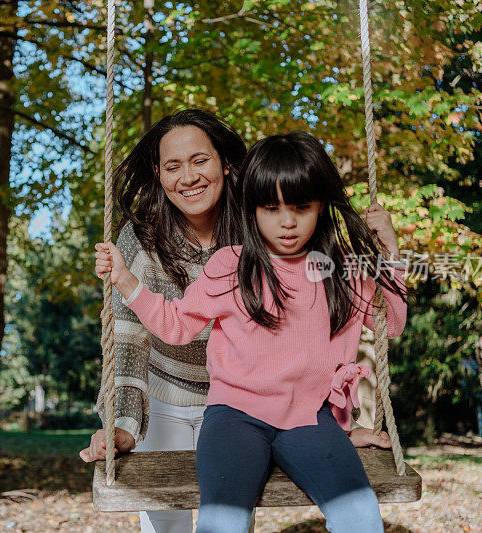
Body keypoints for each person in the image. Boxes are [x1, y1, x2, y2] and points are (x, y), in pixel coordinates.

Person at [93, 131, 408, 533]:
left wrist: (391, 255)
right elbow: (174, 326)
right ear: (252, 210)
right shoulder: (232, 265)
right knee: (223, 523)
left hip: (309, 419)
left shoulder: (339, 269)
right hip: (234, 418)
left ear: (321, 206)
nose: (288, 221)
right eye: (271, 208)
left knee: (361, 519)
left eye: (301, 206)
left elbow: (391, 323)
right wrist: (125, 281)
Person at [79, 109, 246, 533]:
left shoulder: (254, 230)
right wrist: (123, 424)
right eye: (173, 166)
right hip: (163, 397)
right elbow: (129, 340)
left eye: (200, 160)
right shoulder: (141, 239)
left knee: (229, 523)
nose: (188, 176)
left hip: (238, 401)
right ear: (158, 174)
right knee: (166, 525)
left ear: (224, 163)